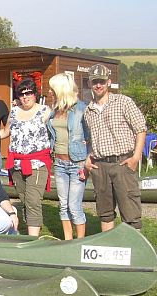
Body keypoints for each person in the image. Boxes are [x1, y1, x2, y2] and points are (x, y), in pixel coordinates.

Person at [84, 64, 146, 231]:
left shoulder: (123, 102)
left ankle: (135, 250)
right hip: (100, 166)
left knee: (130, 212)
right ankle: (109, 249)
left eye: (102, 81)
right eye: (95, 81)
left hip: (122, 163)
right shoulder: (88, 111)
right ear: (90, 83)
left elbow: (141, 129)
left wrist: (136, 158)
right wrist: (88, 158)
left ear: (108, 82)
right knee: (105, 213)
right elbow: (90, 139)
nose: (98, 85)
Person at [2, 79, 52, 236]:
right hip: (16, 163)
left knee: (32, 200)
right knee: (24, 199)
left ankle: (33, 239)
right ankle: (29, 230)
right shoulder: (14, 111)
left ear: (34, 93)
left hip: (37, 163)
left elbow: (58, 131)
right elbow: (5, 132)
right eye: (22, 94)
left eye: (29, 93)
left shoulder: (45, 111)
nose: (25, 97)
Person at [46, 73, 87, 240]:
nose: (49, 91)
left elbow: (90, 137)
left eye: (52, 88)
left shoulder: (81, 109)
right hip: (60, 163)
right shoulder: (55, 111)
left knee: (74, 206)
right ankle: (67, 241)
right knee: (63, 206)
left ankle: (80, 242)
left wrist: (87, 162)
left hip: (77, 163)